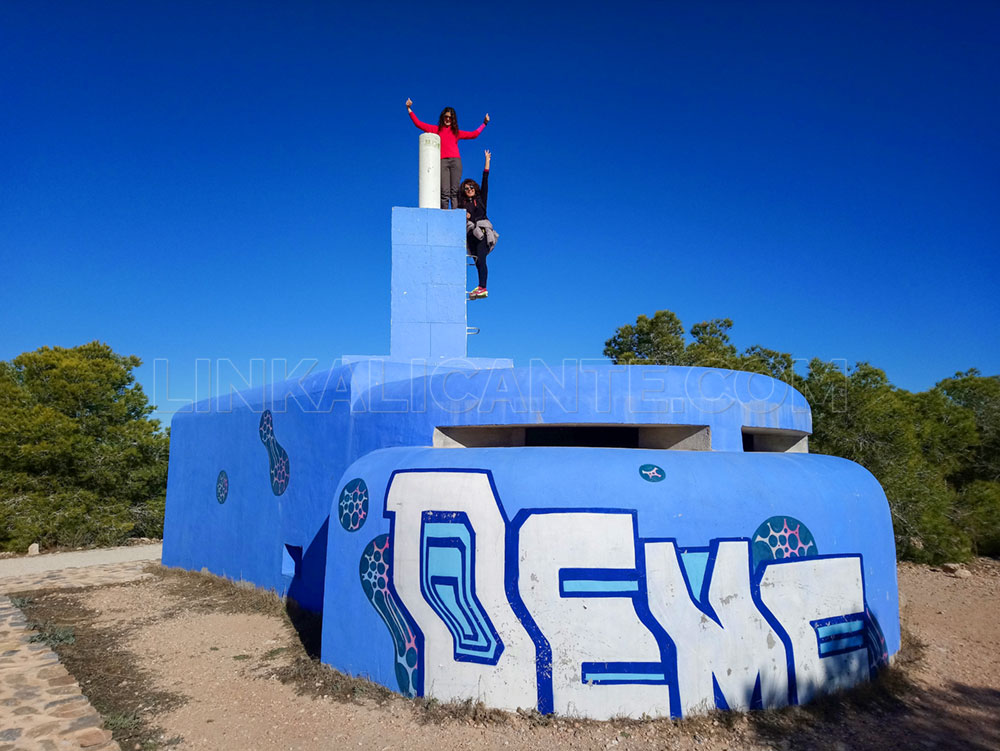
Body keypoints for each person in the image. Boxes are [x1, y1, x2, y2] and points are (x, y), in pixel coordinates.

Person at [406, 98, 489, 209]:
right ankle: (444, 216)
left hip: (455, 161)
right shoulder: (436, 130)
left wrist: (484, 123)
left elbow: (474, 134)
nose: (448, 119)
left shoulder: (456, 133)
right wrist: (409, 109)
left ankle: (455, 216)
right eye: (446, 117)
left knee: (454, 191)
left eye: (450, 117)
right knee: (444, 192)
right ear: (443, 117)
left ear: (453, 119)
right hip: (442, 161)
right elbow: (419, 124)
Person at [458, 150, 498, 300]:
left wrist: (487, 161)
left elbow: (485, 180)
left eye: (471, 188)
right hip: (470, 235)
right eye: (466, 188)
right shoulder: (462, 204)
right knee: (476, 261)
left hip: (481, 233)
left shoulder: (480, 199)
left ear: (475, 189)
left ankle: (483, 287)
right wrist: (464, 216)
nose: (469, 190)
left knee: (481, 259)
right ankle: (480, 286)